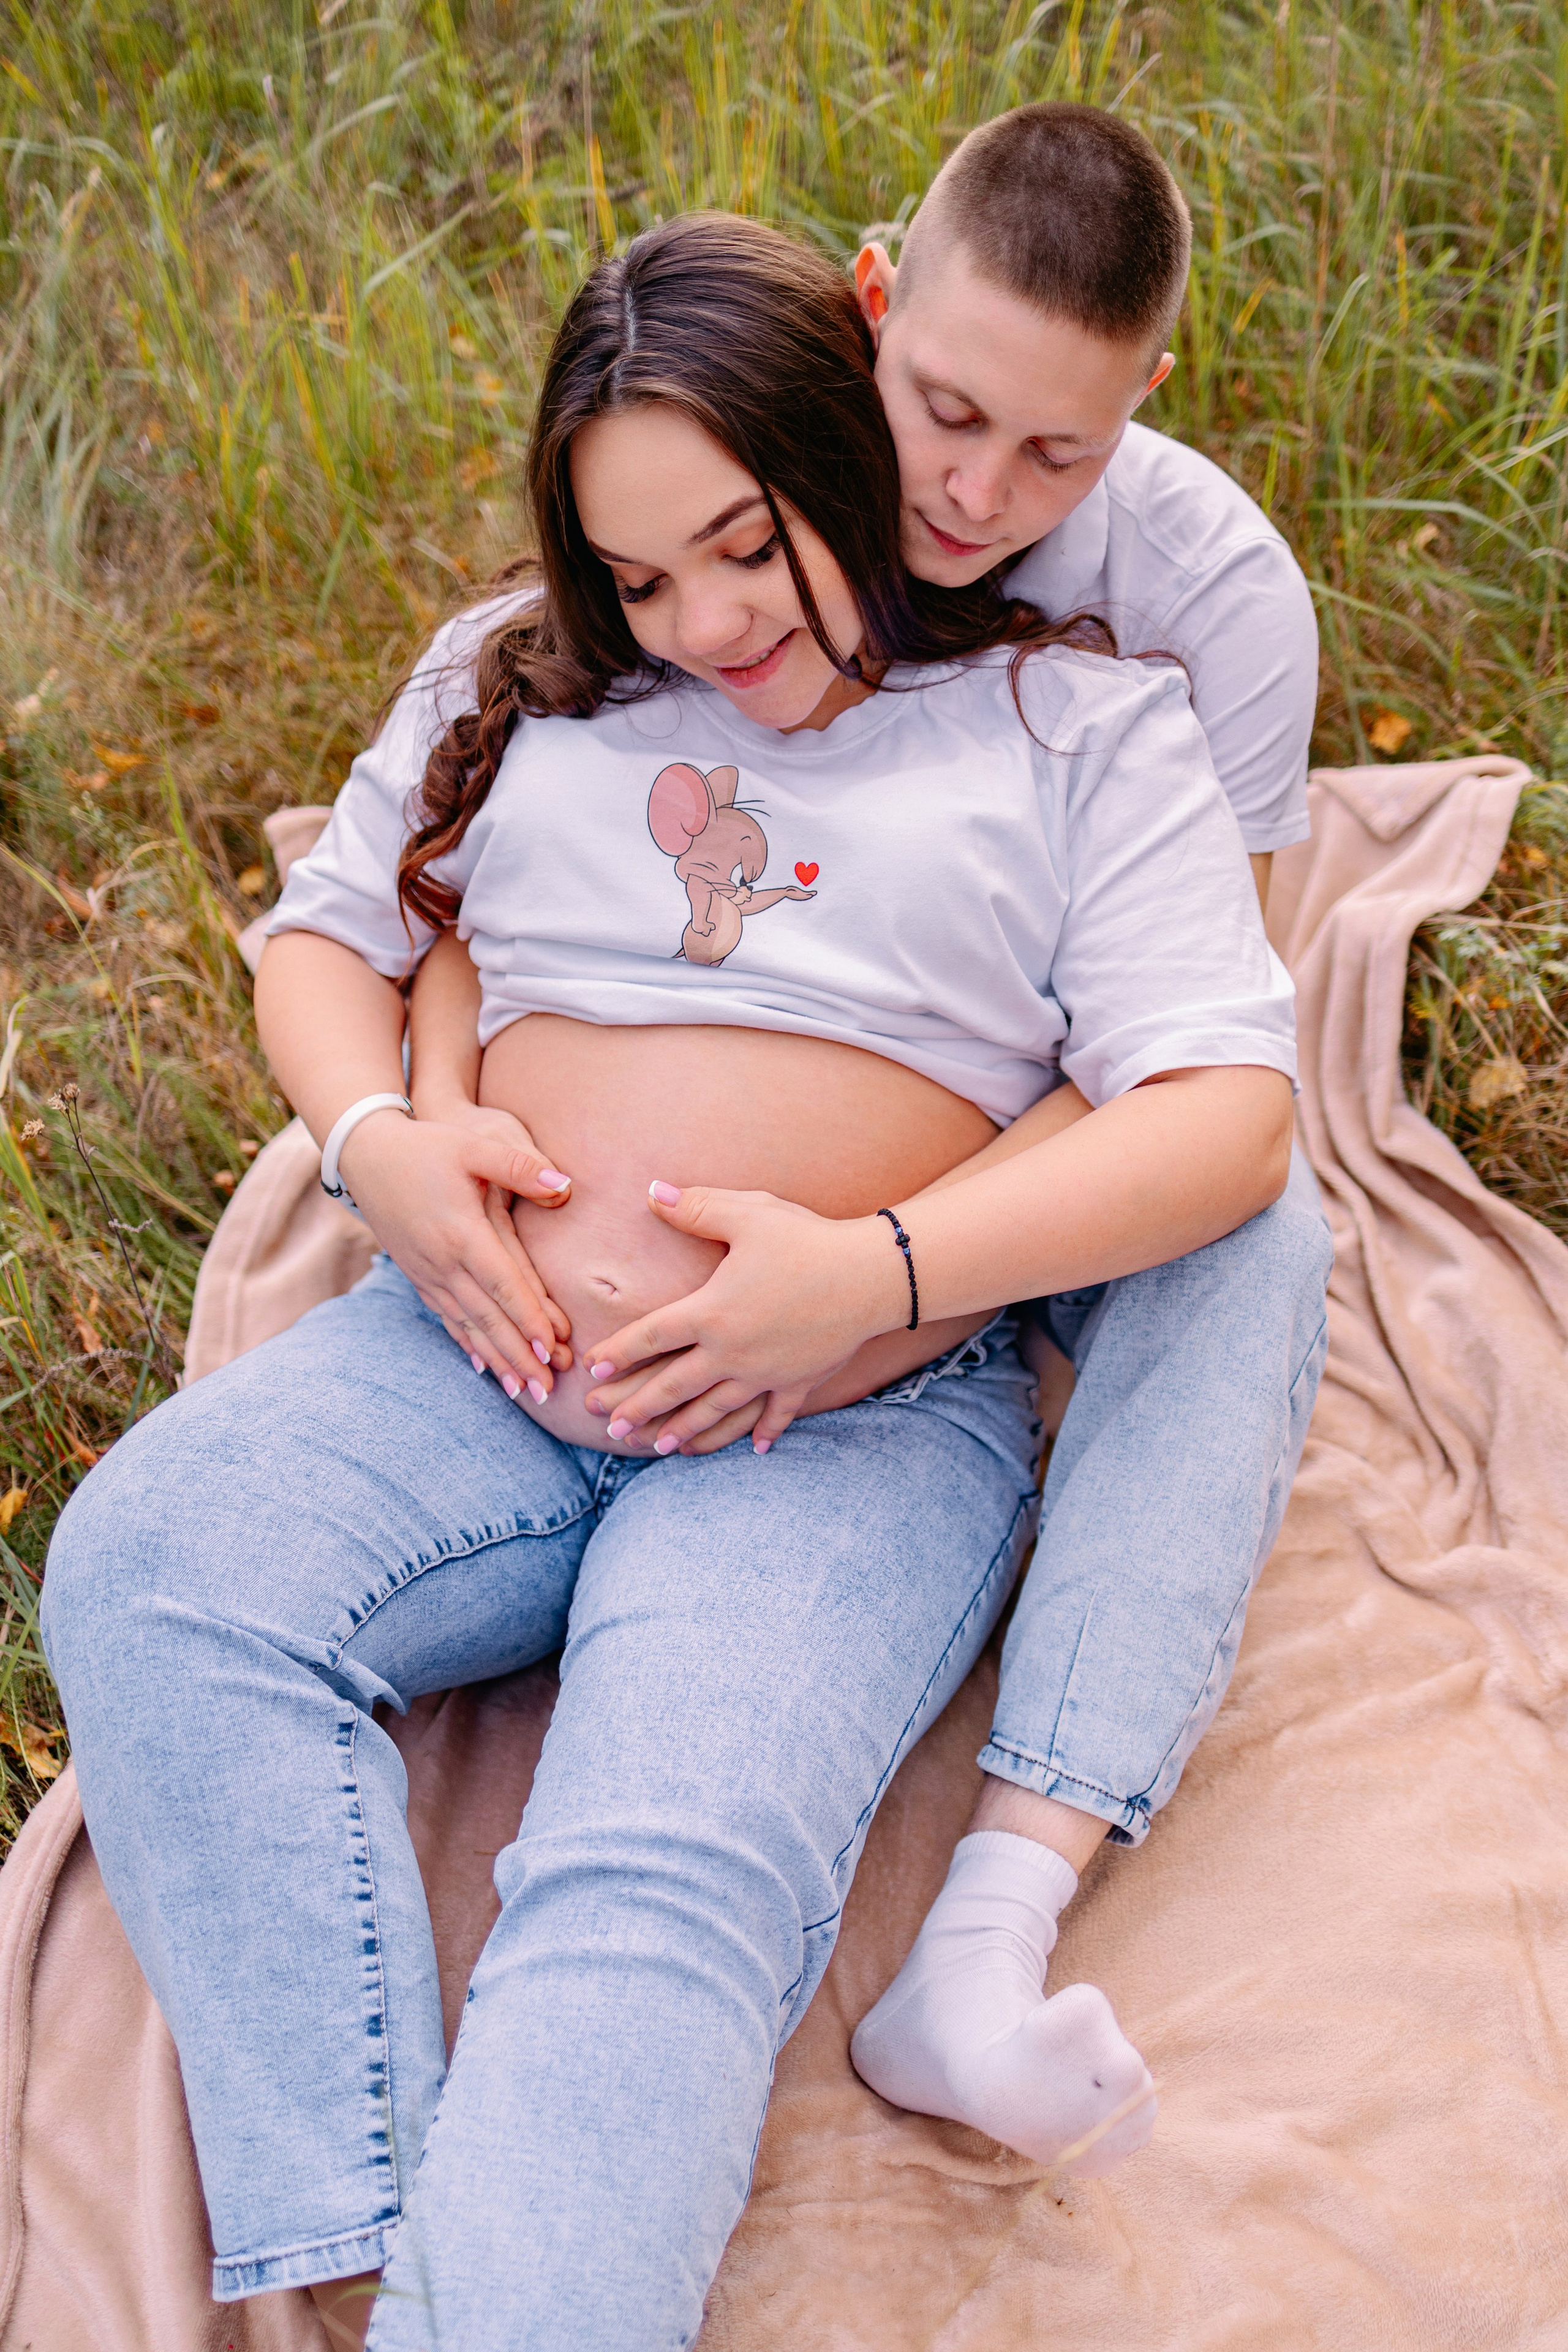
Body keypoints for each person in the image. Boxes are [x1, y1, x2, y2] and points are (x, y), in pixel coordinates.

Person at [41, 213, 1303, 2352]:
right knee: (152, 1563)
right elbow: (324, 943)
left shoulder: (1075, 726)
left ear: (841, 438)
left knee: (656, 1863)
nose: (704, 622)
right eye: (637, 576)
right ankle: (367, 2249)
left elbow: (1227, 1115)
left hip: (838, 1424)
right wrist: (385, 1151)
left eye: (744, 544)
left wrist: (874, 1276)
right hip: (472, 1355)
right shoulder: (521, 675)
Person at [404, 104, 1335, 2169]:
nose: (977, 496)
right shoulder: (758, 475)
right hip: (754, 1098)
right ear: (870, 302)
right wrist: (427, 1104)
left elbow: (1190, 1051)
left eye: (1058, 453)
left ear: (1147, 396)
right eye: (947, 413)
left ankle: (995, 1928)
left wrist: (891, 1276)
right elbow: (529, 807)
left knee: (1262, 1240)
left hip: (1003, 1137)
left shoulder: (1214, 601)